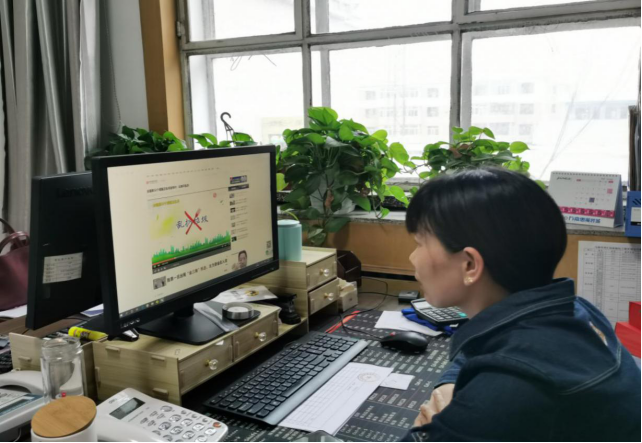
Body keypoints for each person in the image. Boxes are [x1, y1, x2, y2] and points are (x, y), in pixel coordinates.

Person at [403, 168, 640, 442]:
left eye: (419, 244)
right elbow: (486, 347)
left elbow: (506, 377)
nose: (412, 258)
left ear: (469, 265)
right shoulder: (575, 310)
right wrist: (449, 384)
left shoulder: (508, 388)